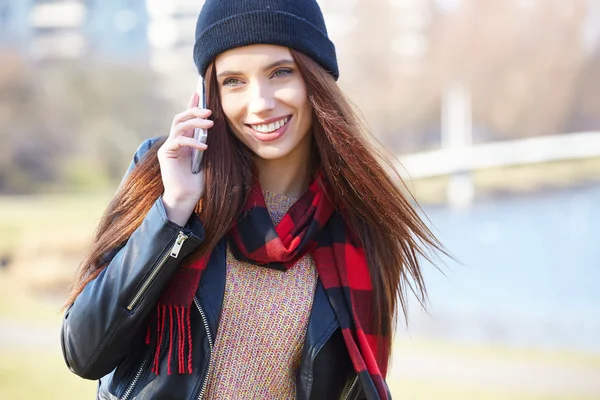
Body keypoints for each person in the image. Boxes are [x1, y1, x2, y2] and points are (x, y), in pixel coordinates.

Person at [61, 0, 445, 399]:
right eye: (234, 81)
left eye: (280, 72)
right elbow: (83, 352)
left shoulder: (360, 222)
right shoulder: (165, 175)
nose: (260, 102)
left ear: (316, 78)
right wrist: (172, 215)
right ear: (210, 94)